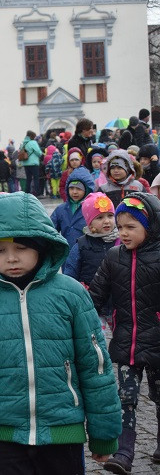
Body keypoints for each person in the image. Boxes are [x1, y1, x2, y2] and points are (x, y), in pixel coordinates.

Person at [0, 192, 121, 474]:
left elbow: (95, 366)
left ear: (41, 245)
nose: (11, 258)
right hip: (0, 433)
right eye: (0, 250)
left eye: (21, 248)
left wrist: (104, 433)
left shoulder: (71, 295)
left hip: (61, 430)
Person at [89, 193, 160, 474]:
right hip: (126, 342)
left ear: (150, 227)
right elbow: (95, 295)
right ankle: (124, 451)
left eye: (131, 226)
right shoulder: (113, 256)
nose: (124, 233)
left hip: (157, 342)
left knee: (159, 396)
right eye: (120, 227)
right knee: (125, 398)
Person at [63, 192, 119, 290]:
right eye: (100, 217)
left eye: (110, 216)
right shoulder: (81, 245)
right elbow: (70, 276)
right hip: (91, 299)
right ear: (90, 223)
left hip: (118, 300)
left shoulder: (122, 241)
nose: (107, 221)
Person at [51, 167, 95, 248]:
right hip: (66, 252)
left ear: (87, 190)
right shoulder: (61, 210)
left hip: (86, 252)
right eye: (71, 188)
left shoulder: (93, 209)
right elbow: (50, 230)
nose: (74, 192)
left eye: (79, 189)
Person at [19, 130, 42, 196]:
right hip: (33, 163)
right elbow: (38, 152)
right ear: (32, 136)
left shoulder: (23, 143)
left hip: (26, 163)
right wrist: (40, 154)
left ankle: (27, 192)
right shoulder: (33, 142)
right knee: (36, 178)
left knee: (28, 179)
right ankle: (37, 192)